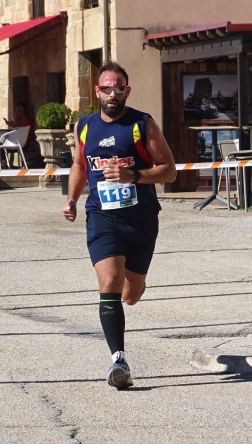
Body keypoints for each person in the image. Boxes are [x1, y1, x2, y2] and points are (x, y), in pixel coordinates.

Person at [62, 61, 176, 389]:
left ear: (127, 90)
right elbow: (79, 166)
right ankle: (118, 361)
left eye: (119, 87)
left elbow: (169, 170)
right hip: (102, 216)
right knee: (110, 279)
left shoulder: (142, 124)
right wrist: (71, 199)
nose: (113, 93)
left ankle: (136, 282)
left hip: (141, 218)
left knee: (131, 294)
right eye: (107, 88)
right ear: (97, 91)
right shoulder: (84, 126)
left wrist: (134, 175)